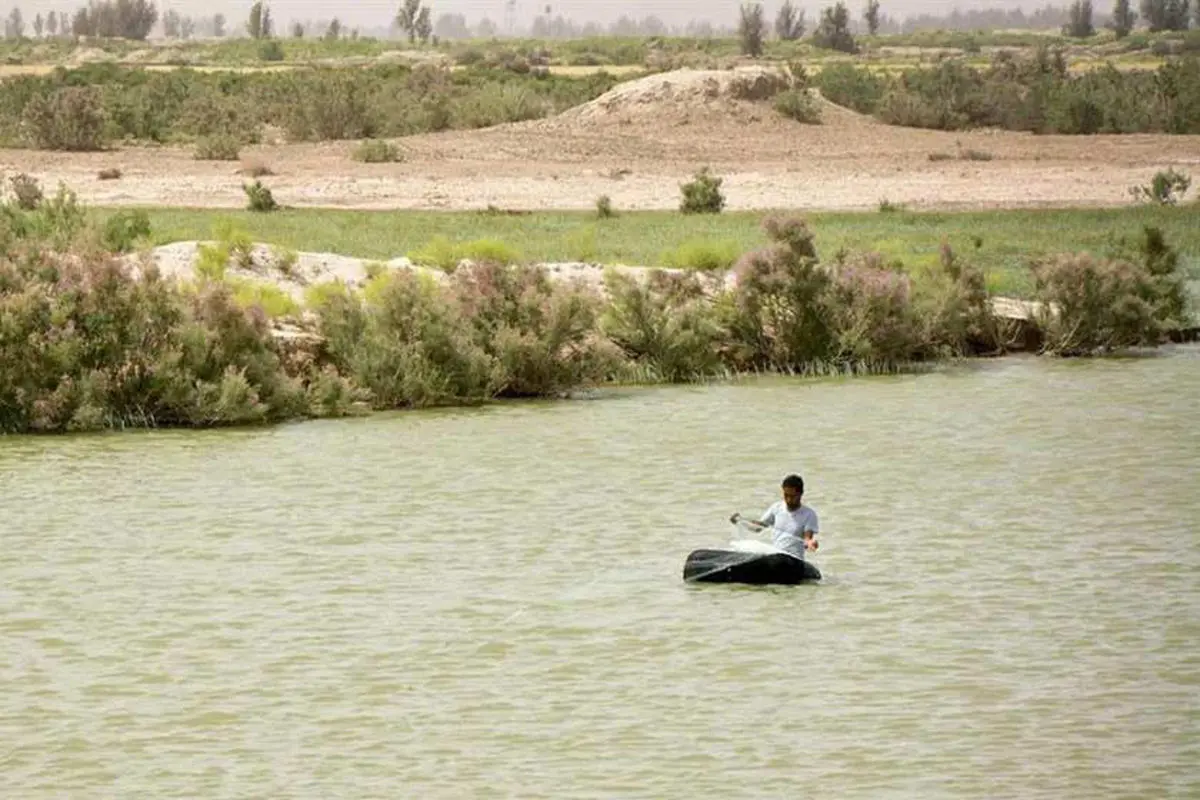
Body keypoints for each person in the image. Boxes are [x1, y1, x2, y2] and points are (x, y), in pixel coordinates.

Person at [730, 474, 819, 558]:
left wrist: (811, 544)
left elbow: (807, 538)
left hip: (794, 559)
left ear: (800, 494)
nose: (788, 499)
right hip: (776, 556)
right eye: (786, 495)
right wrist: (741, 521)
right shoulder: (776, 508)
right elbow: (758, 528)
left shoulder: (809, 514)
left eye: (792, 496)